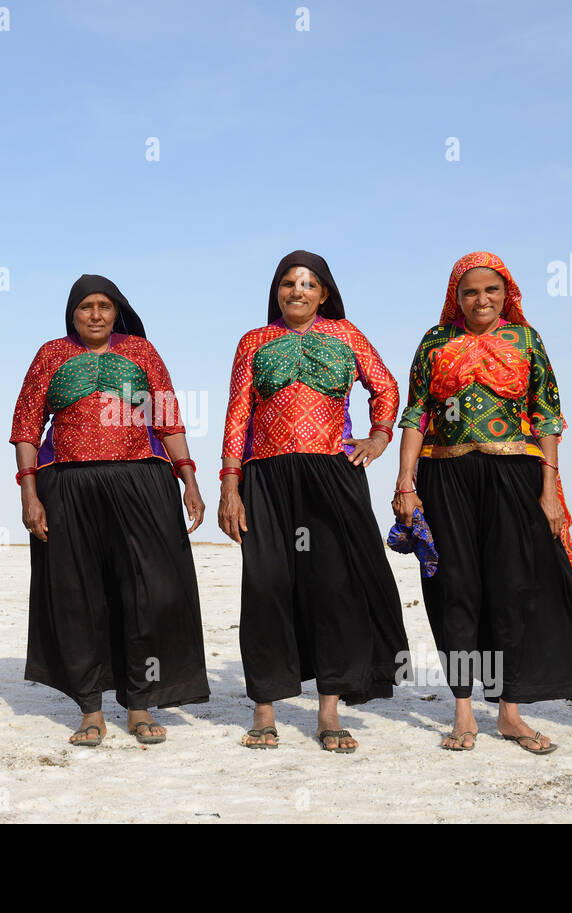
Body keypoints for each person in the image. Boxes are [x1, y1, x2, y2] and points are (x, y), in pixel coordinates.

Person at [393, 251, 572, 754]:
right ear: (455, 296)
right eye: (470, 291)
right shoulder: (436, 342)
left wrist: (549, 489)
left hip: (515, 476)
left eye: (491, 290)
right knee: (454, 587)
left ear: (507, 293)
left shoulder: (526, 340)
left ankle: (509, 711)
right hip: (446, 475)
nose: (480, 299)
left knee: (511, 588)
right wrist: (405, 482)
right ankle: (464, 710)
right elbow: (416, 414)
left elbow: (548, 416)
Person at [219, 250, 407, 752]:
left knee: (334, 588)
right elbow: (238, 416)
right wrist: (229, 487)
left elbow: (385, 386)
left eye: (308, 284)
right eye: (288, 283)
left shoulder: (346, 335)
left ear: (324, 292)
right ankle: (264, 709)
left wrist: (379, 437)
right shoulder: (254, 342)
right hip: (266, 476)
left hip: (333, 472)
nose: (297, 291)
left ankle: (328, 710)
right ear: (277, 291)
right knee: (265, 587)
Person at [10, 274, 209, 746]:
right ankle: (91, 709)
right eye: (85, 307)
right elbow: (26, 425)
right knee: (78, 596)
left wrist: (190, 481)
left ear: (117, 310)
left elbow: (167, 417)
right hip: (68, 484)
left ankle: (139, 704)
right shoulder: (50, 354)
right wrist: (29, 493)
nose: (95, 315)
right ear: (72, 313)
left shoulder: (142, 352)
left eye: (104, 306)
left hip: (140, 480)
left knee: (147, 592)